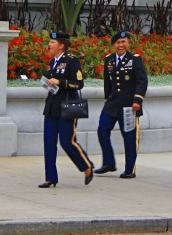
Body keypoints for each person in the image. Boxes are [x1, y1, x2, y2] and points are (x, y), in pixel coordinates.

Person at [40, 31, 95, 188]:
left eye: (52, 42)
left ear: (61, 45)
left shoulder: (72, 61)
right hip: (51, 107)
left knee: (67, 141)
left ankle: (86, 166)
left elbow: (79, 84)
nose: (49, 45)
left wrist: (60, 82)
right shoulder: (52, 62)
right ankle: (50, 177)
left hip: (67, 107)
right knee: (49, 142)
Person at [94, 31, 148, 179]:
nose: (121, 45)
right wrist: (107, 99)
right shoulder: (109, 60)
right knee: (102, 129)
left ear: (128, 43)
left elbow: (142, 81)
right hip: (112, 104)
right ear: (113, 45)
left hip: (129, 105)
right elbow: (108, 82)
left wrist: (138, 100)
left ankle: (130, 169)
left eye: (123, 42)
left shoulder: (135, 59)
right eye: (118, 42)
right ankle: (109, 162)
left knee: (129, 137)